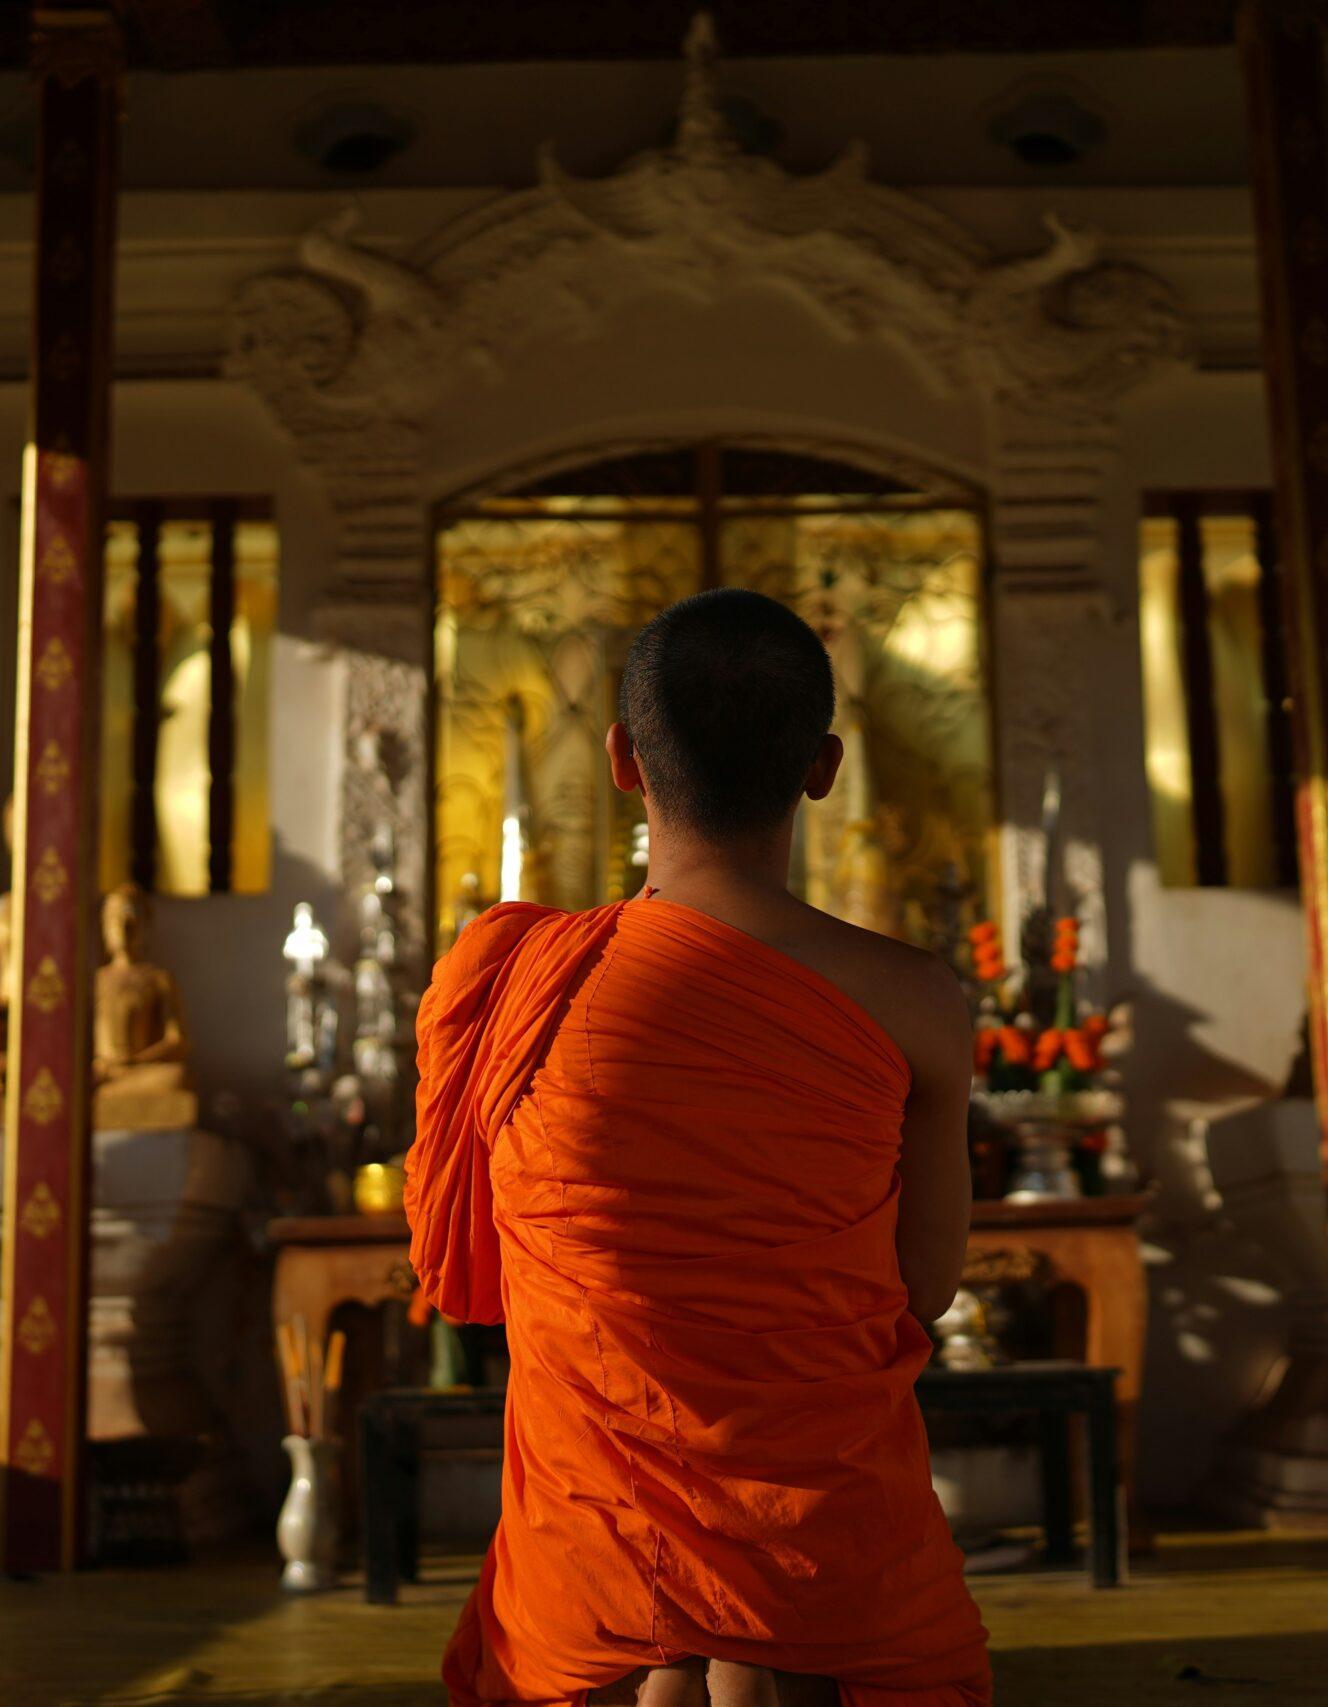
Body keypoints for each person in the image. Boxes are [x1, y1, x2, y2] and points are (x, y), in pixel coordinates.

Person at [408, 588, 990, 1707]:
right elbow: (928, 1284)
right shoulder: (917, 1002)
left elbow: (468, 1269)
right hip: (824, 1544)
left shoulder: (524, 985)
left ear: (624, 759)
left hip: (597, 1553)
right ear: (821, 767)